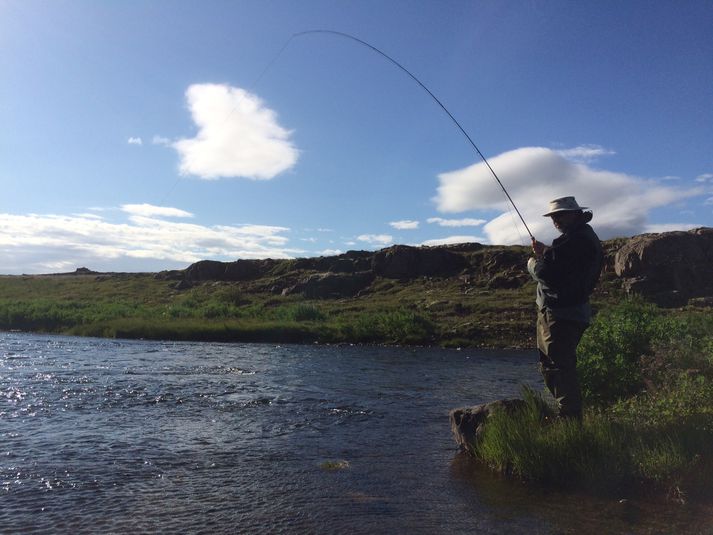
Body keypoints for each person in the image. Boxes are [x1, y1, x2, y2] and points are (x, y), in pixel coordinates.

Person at [527, 196, 603, 420]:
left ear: (575, 214)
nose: (555, 220)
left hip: (561, 314)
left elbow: (546, 273)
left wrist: (533, 263)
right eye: (553, 216)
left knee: (559, 367)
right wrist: (545, 252)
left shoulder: (578, 240)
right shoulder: (578, 238)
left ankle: (569, 421)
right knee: (554, 365)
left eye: (560, 215)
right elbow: (562, 262)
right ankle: (567, 416)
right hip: (566, 312)